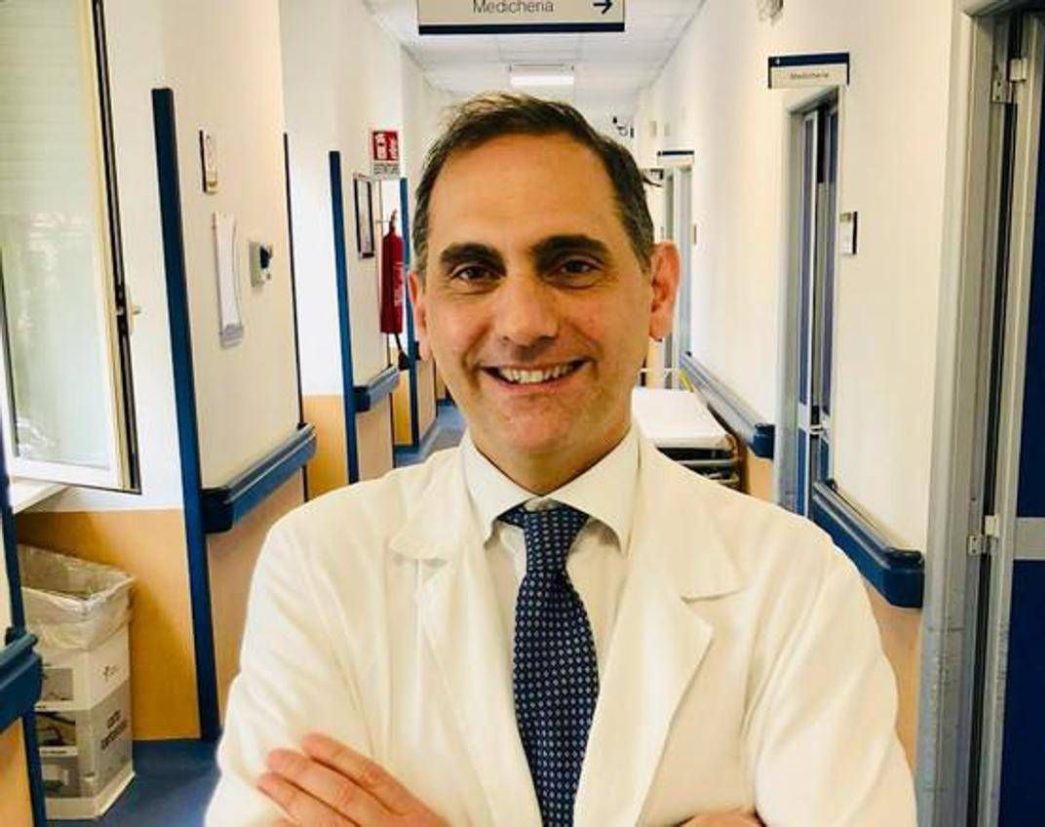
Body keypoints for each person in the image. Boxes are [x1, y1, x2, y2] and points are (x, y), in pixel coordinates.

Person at [207, 93, 915, 826]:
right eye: (473, 272)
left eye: (572, 265)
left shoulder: (795, 583)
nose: (523, 324)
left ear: (657, 290)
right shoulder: (319, 565)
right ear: (423, 310)